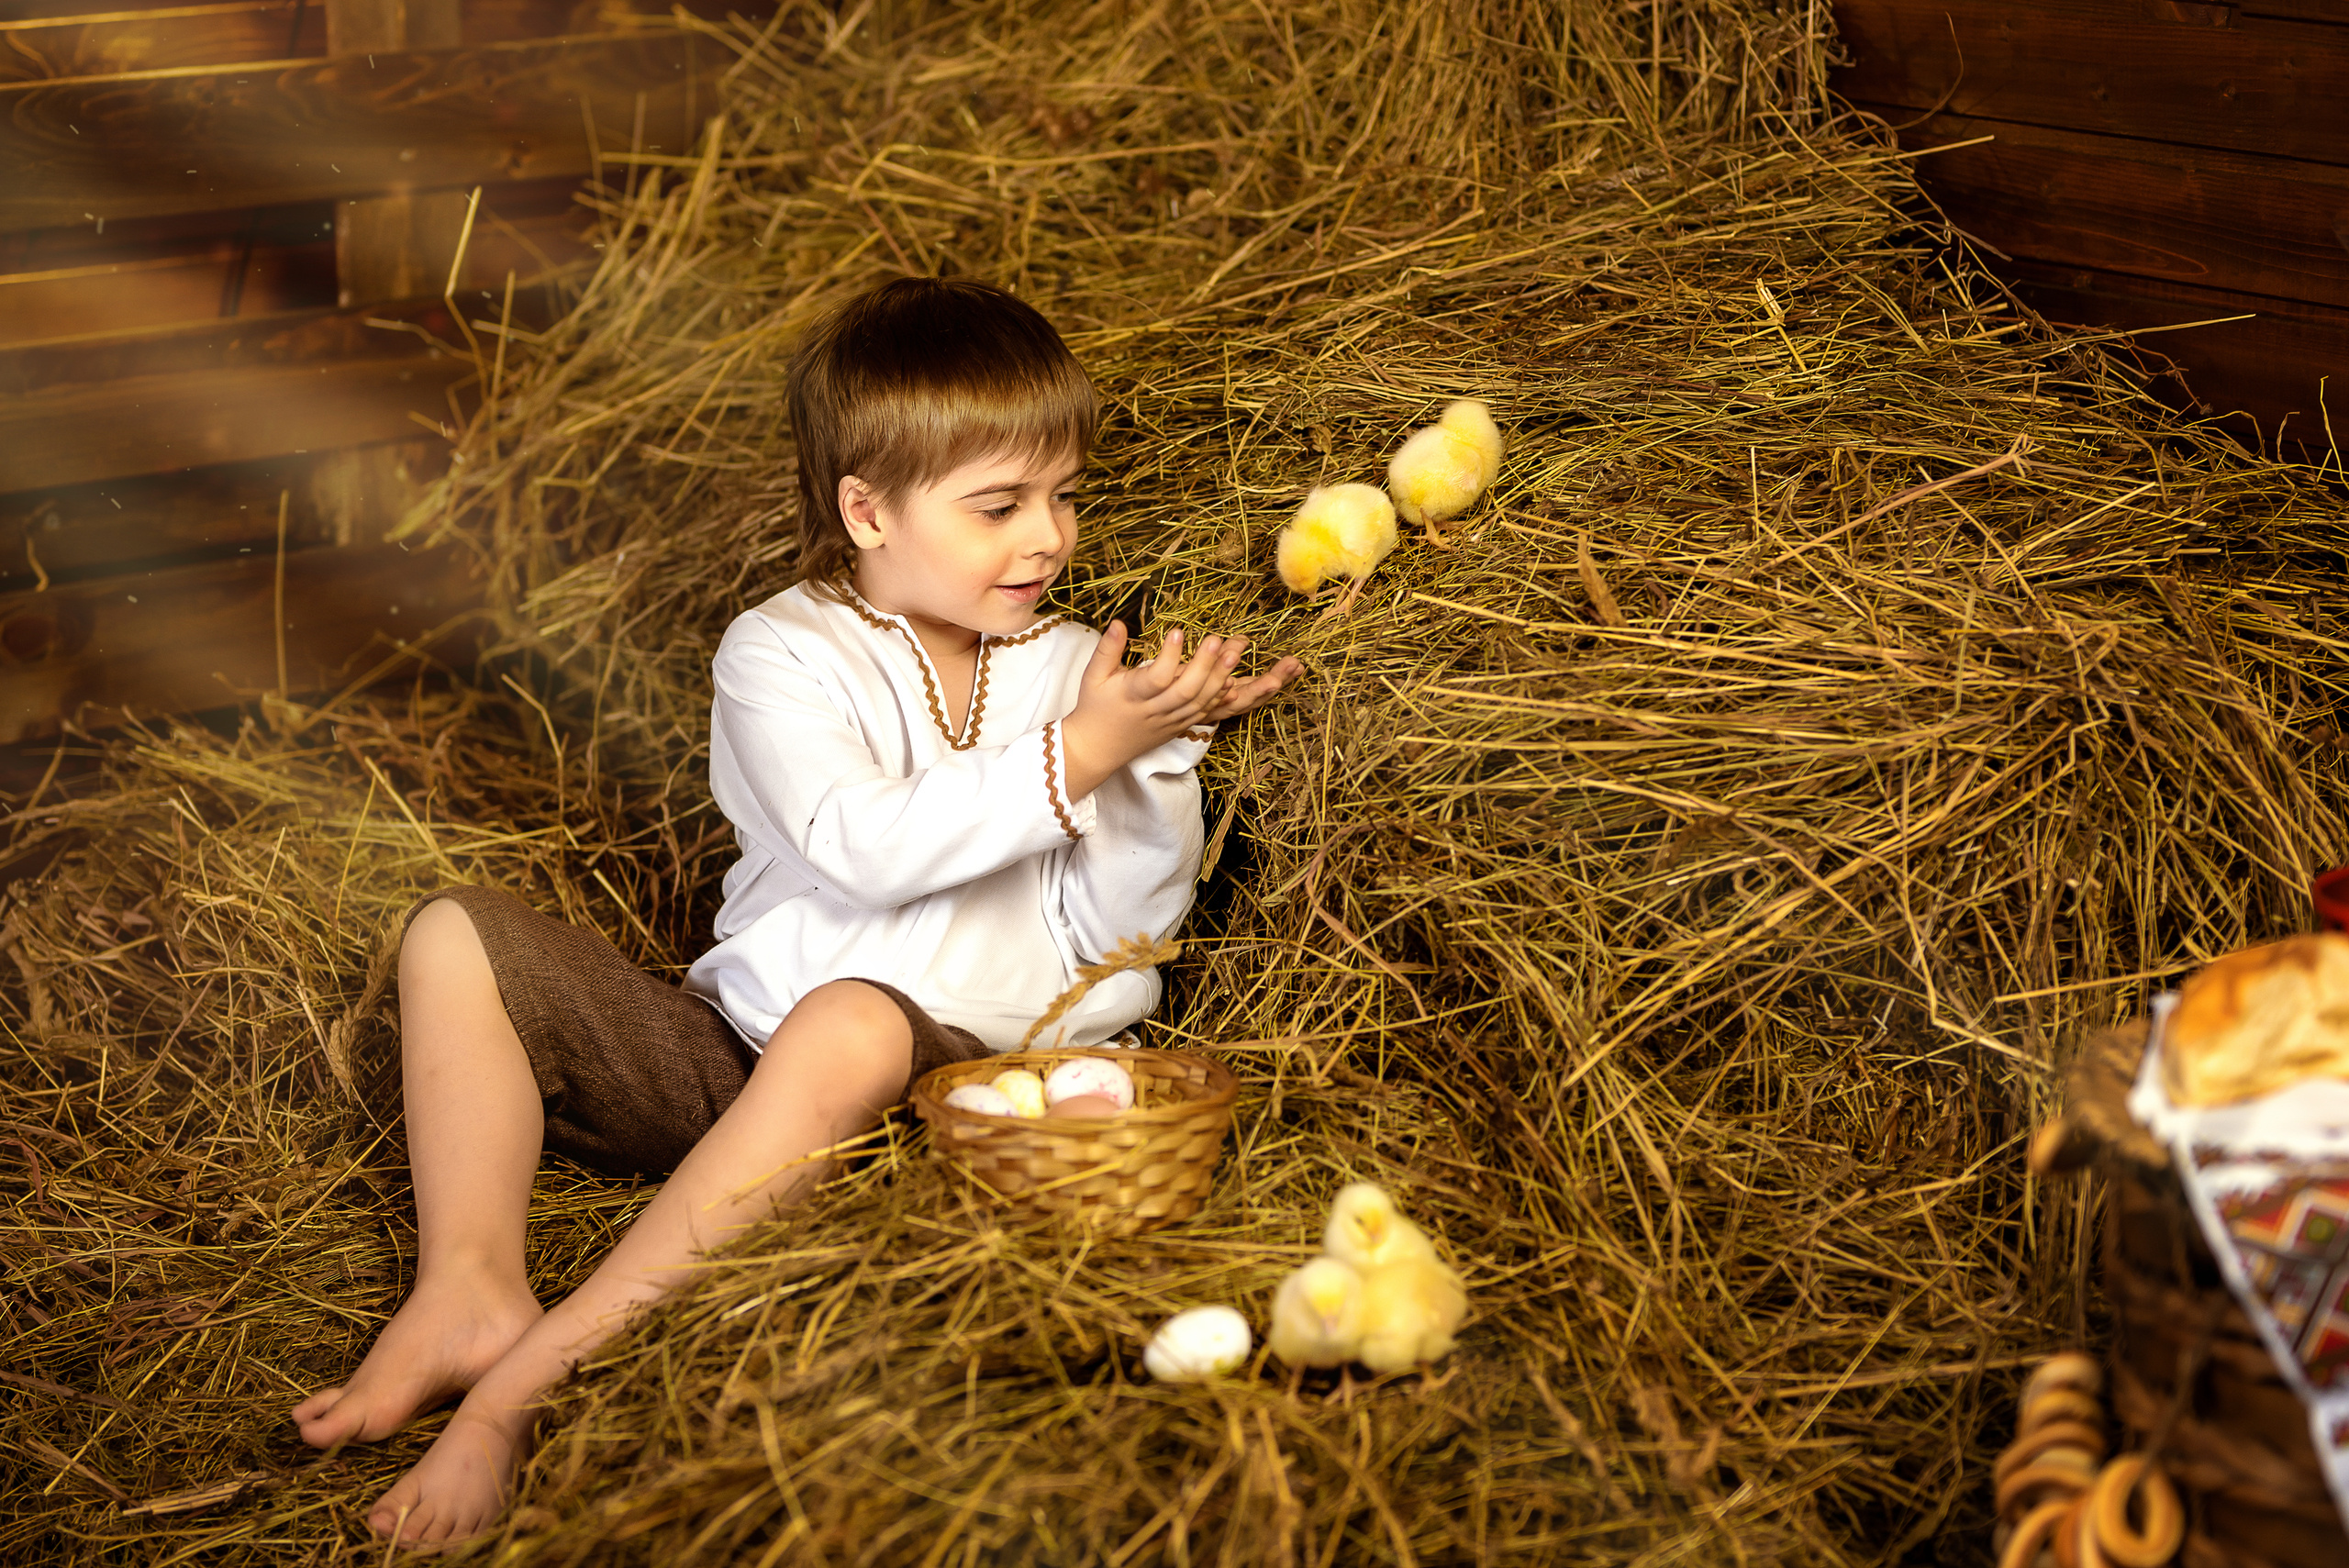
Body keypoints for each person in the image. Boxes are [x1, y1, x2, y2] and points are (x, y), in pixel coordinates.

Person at [286, 276, 1304, 1542]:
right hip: (743, 1063)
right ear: (865, 509)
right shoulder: (780, 652)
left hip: (953, 1095)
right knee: (454, 932)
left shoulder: (1071, 671)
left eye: (1064, 494)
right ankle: (470, 1282)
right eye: (997, 505)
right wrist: (1080, 754)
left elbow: (1121, 932)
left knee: (854, 1027)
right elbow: (857, 846)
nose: (1045, 538)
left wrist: (1151, 757)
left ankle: (516, 1388)